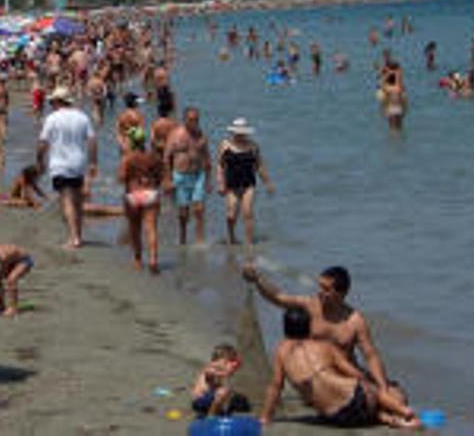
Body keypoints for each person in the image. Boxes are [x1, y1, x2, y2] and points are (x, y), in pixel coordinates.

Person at [242, 264, 396, 394]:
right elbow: (278, 297)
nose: (320, 292)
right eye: (320, 286)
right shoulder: (310, 306)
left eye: (326, 289)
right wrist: (257, 279)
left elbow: (370, 356)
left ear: (342, 293)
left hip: (346, 375)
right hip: (316, 375)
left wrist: (382, 386)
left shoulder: (355, 321)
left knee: (393, 391)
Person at [260, 307, 420, 429]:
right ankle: (404, 412)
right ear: (309, 327)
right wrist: (373, 386)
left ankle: (394, 421)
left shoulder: (281, 351)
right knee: (372, 392)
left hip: (338, 417)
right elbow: (354, 372)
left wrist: (265, 417)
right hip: (360, 399)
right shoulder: (324, 346)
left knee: (355, 412)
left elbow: (275, 387)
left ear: (285, 328)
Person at [37, 87, 97, 249]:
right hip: (79, 163)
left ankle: (74, 238)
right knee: (77, 200)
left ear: (58, 101)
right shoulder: (82, 117)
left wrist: (40, 160)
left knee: (67, 200)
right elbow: (92, 141)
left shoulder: (52, 118)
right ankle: (78, 235)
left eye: (52, 102)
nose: (51, 104)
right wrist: (93, 163)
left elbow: (43, 143)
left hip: (60, 164)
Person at [216, 118, 274, 246]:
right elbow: (220, 165)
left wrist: (268, 182)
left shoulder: (253, 146)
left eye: (242, 133)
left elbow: (259, 166)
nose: (240, 135)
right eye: (238, 133)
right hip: (231, 185)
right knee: (230, 215)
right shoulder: (225, 145)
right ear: (233, 133)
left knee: (247, 213)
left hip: (248, 184)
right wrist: (220, 182)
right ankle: (231, 238)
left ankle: (249, 243)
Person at [164, 107, 211, 245]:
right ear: (184, 120)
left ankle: (200, 240)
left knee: (199, 209)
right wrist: (167, 179)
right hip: (180, 176)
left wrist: (208, 180)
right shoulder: (175, 135)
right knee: (183, 213)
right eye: (191, 119)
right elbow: (166, 158)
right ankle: (183, 237)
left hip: (198, 175)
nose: (194, 122)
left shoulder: (201, 136)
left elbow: (207, 158)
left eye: (196, 119)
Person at [118, 127, 163, 272]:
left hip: (133, 194)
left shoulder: (128, 158)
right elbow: (161, 176)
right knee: (151, 229)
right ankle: (153, 259)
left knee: (135, 229)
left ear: (132, 141)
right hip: (150, 193)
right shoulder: (154, 157)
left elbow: (121, 178)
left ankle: (138, 260)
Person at [0, 244, 34, 317]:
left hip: (24, 261)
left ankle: (13, 308)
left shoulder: (3, 256)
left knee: (11, 279)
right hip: (11, 262)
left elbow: (2, 271)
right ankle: (0, 304)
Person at [191, 344, 245, 418]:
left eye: (231, 361)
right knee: (223, 391)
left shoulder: (222, 368)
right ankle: (210, 417)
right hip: (200, 400)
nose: (229, 364)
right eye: (227, 361)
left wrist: (235, 362)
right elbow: (209, 373)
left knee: (227, 392)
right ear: (218, 360)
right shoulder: (211, 367)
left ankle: (216, 411)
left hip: (210, 399)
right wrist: (225, 372)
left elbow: (239, 363)